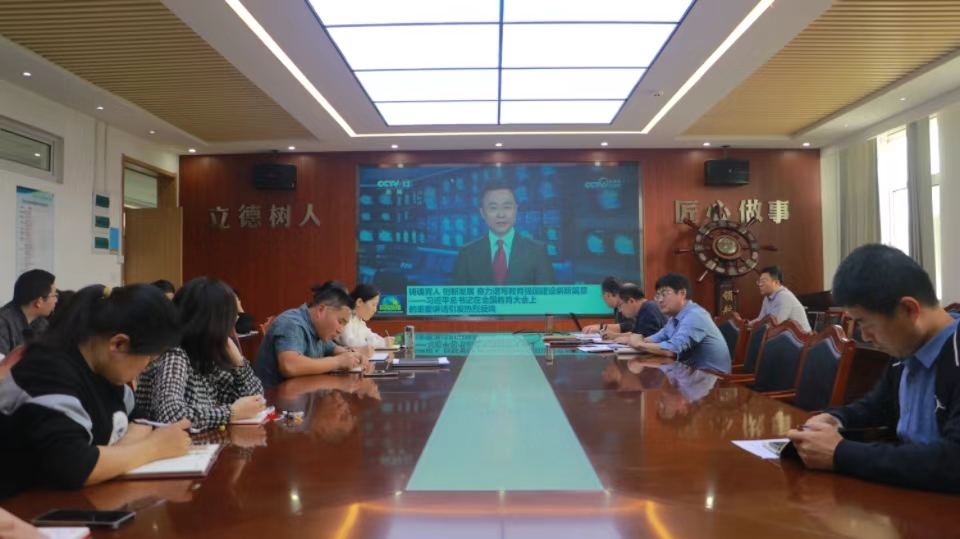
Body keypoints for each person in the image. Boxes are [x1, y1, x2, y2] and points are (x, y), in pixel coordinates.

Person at [787, 244, 960, 494]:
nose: (865, 336)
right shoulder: (906, 349)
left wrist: (840, 453)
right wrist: (837, 418)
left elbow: (954, 462)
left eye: (864, 323)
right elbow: (877, 406)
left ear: (909, 310)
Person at [0, 284, 191, 498]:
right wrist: (154, 447)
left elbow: (141, 421)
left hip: (69, 500)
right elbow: (73, 466)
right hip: (20, 504)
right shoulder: (46, 370)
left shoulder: (104, 372)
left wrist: (120, 452)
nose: (147, 367)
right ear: (119, 344)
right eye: (149, 358)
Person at [135, 278, 265, 431]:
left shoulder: (204, 354)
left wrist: (239, 364)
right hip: (162, 443)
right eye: (231, 318)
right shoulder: (174, 353)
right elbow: (171, 416)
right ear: (213, 322)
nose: (232, 325)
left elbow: (255, 401)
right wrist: (231, 412)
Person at [254, 282, 369, 390]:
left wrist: (354, 356)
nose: (341, 330)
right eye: (340, 321)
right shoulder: (292, 323)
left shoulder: (319, 330)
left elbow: (334, 349)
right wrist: (338, 362)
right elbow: (290, 365)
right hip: (273, 400)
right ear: (321, 310)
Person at [621, 273, 732, 374]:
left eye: (664, 294)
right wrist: (634, 340)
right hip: (690, 374)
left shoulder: (695, 315)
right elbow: (655, 338)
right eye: (658, 296)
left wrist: (640, 344)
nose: (660, 300)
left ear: (682, 293)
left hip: (713, 380)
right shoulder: (674, 319)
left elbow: (671, 350)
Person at [450, 181, 556, 286]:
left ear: (516, 210)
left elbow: (549, 296)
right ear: (482, 213)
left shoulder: (538, 251)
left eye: (507, 207)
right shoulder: (467, 253)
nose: (501, 214)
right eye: (493, 208)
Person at [0, 269, 57, 356]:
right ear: (39, 302)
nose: (56, 300)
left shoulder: (41, 323)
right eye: (54, 295)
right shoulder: (3, 324)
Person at [751, 266, 811, 332]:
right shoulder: (767, 298)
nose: (760, 284)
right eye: (759, 281)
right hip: (782, 334)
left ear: (776, 282)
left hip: (800, 337)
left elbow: (777, 324)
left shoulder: (784, 296)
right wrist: (747, 325)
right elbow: (760, 319)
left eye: (763, 281)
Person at [341, 283, 395, 350]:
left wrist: (384, 340)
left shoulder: (360, 322)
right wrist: (382, 343)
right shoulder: (346, 317)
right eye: (373, 305)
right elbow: (350, 342)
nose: (375, 310)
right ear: (359, 302)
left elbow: (370, 336)